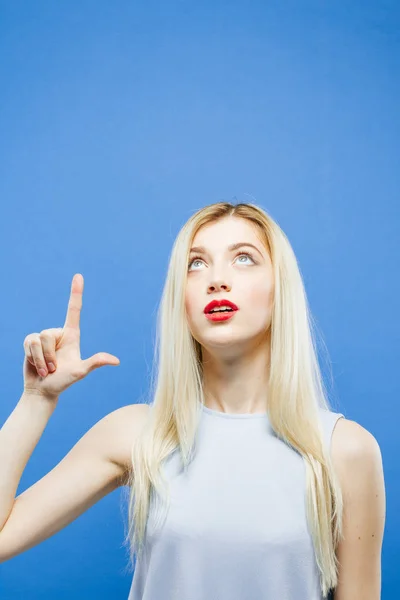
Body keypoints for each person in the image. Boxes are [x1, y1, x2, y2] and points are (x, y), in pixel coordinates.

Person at [0, 201, 385, 600]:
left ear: (279, 289)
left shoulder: (345, 451)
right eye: (196, 264)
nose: (217, 280)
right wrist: (36, 398)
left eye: (244, 258)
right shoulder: (136, 434)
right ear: (180, 299)